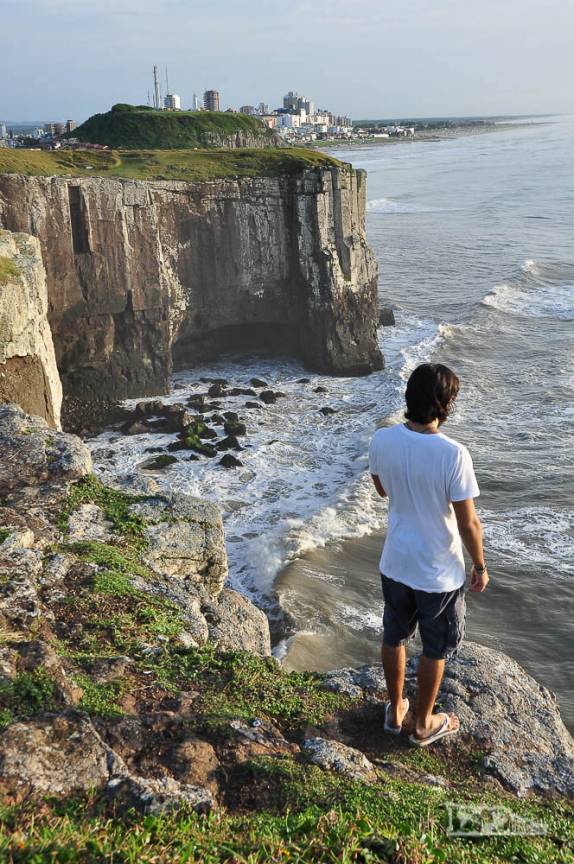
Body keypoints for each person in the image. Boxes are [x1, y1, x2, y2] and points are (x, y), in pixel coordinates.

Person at [368, 363, 489, 747]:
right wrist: (481, 565)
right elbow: (468, 523)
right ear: (445, 404)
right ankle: (422, 724)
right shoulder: (453, 454)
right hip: (438, 572)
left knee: (395, 635)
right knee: (435, 646)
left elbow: (382, 490)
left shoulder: (382, 440)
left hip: (396, 561)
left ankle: (395, 710)